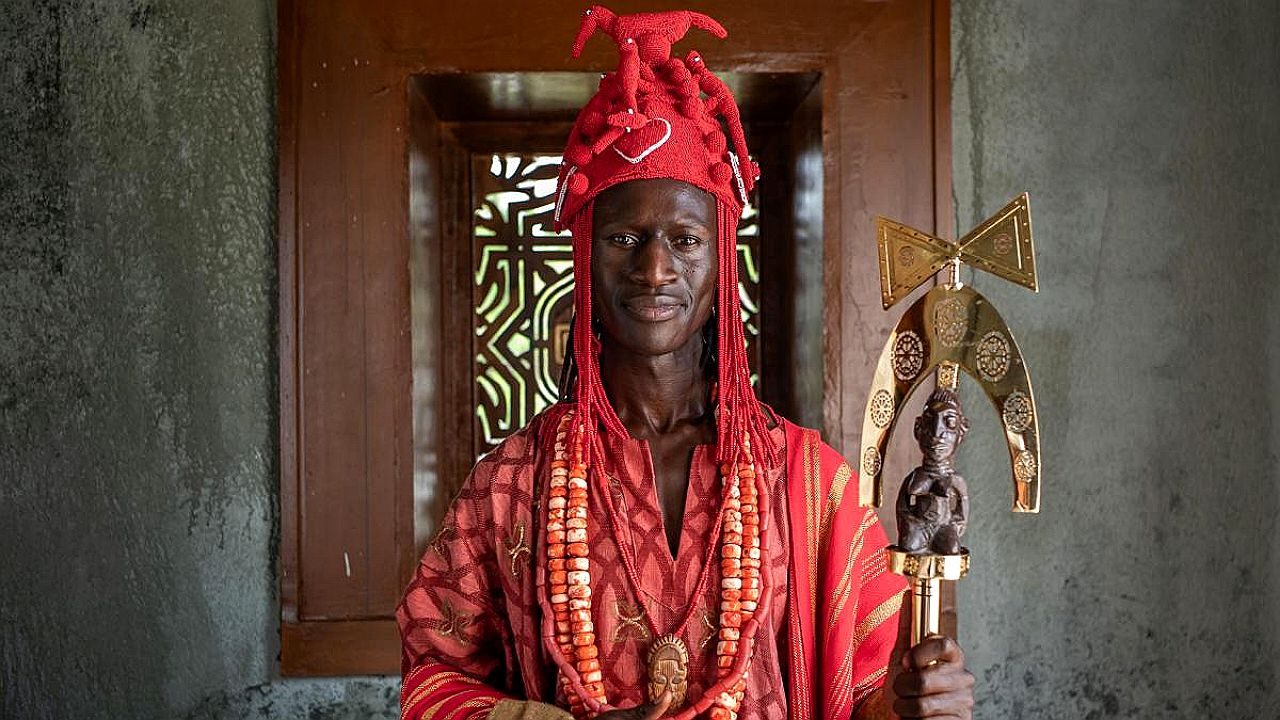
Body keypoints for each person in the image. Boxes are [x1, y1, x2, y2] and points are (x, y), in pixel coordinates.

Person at [398, 7, 974, 720]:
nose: (655, 267)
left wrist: (915, 703)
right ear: (585, 254)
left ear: (722, 261)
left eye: (686, 238)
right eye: (625, 237)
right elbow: (431, 680)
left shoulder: (811, 486)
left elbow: (870, 697)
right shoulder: (513, 484)